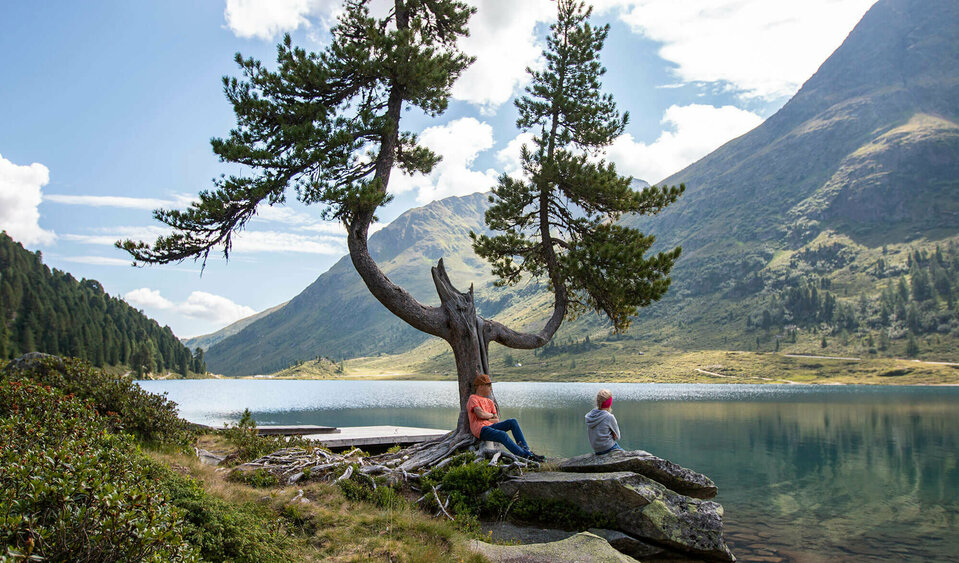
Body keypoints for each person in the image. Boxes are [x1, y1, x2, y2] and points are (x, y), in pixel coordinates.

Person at [467, 373, 545, 462]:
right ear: (480, 386)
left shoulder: (490, 401)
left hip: (491, 426)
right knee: (502, 435)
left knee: (513, 422)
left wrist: (486, 416)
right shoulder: (473, 398)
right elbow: (480, 414)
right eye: (488, 385)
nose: (491, 388)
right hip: (480, 430)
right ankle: (526, 456)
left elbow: (496, 420)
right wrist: (490, 415)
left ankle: (527, 451)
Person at [586, 388, 623, 455]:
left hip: (596, 449)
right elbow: (617, 436)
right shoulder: (609, 417)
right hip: (608, 448)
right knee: (626, 454)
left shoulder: (590, 416)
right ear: (609, 403)